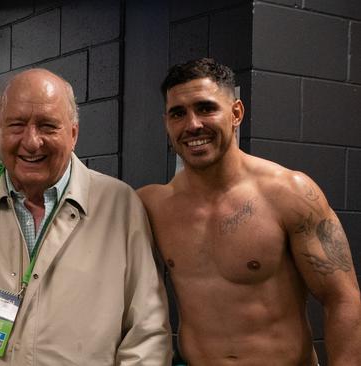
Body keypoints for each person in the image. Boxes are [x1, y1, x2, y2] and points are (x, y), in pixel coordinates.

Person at [0, 68, 172, 365]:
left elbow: (147, 332)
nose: (31, 142)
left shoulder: (119, 205)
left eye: (47, 126)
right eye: (16, 125)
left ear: (73, 133)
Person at [136, 58, 361, 365]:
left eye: (206, 108)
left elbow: (343, 299)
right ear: (167, 123)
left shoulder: (289, 192)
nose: (192, 125)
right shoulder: (152, 205)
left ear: (236, 113)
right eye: (178, 113)